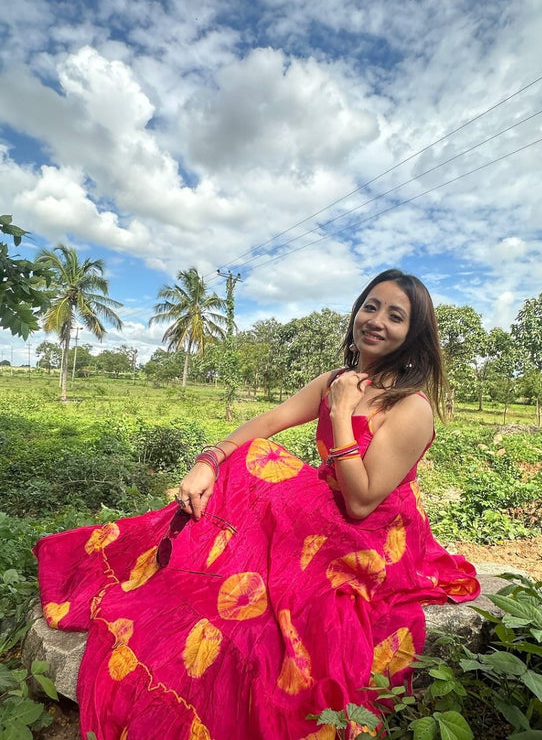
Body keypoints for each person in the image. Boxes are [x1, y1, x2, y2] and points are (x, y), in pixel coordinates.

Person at [34, 269, 480, 740]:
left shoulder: (410, 407)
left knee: (266, 489)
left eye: (396, 316)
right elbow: (271, 419)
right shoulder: (339, 380)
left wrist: (341, 413)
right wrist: (209, 460)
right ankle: (180, 561)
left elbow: (364, 501)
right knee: (252, 457)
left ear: (414, 335)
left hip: (371, 533)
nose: (376, 321)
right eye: (371, 307)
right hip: (329, 503)